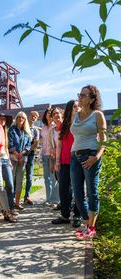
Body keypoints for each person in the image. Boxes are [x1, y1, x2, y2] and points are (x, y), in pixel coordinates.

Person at [70, 85, 107, 239]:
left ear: (92, 99)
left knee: (92, 192)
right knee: (78, 194)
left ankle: (91, 227)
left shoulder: (97, 115)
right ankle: (87, 225)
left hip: (91, 156)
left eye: (84, 95)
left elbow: (104, 141)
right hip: (75, 156)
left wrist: (96, 157)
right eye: (80, 94)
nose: (80, 97)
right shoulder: (75, 115)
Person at [51, 100, 81, 227]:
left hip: (78, 160)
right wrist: (57, 161)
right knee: (64, 189)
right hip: (64, 161)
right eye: (75, 106)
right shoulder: (63, 125)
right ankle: (65, 215)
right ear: (69, 109)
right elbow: (59, 144)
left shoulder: (82, 123)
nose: (77, 108)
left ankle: (77, 216)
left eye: (78, 106)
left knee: (78, 189)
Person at [0, 112, 17, 216]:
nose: (2, 120)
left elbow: (5, 146)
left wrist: (9, 160)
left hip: (5, 159)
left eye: (4, 119)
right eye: (0, 118)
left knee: (10, 184)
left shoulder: (5, 130)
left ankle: (11, 207)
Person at [8, 111, 31, 210]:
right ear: (16, 118)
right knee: (11, 181)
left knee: (19, 181)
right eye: (19, 117)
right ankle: (10, 204)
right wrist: (16, 154)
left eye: (23, 118)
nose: (20, 119)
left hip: (22, 159)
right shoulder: (11, 130)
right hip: (13, 158)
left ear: (25, 120)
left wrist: (22, 154)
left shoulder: (26, 132)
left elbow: (28, 145)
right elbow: (10, 142)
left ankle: (17, 203)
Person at [41, 108, 59, 206]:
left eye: (50, 113)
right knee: (46, 178)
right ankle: (48, 199)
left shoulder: (55, 126)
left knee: (53, 178)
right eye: (47, 113)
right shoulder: (43, 127)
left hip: (53, 155)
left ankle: (54, 200)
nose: (49, 114)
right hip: (44, 154)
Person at [24, 111, 40, 205]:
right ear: (28, 116)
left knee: (29, 176)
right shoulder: (23, 127)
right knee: (18, 175)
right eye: (32, 116)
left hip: (30, 154)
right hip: (20, 154)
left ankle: (27, 196)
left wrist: (28, 151)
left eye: (35, 117)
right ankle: (14, 197)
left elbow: (36, 142)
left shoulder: (35, 130)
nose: (33, 118)